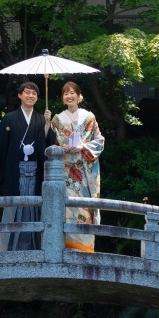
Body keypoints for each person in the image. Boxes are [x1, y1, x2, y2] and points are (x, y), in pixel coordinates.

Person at [0, 81, 56, 251]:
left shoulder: (40, 119)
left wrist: (46, 125)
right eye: (27, 92)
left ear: (37, 98)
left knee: (34, 206)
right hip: (14, 170)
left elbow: (46, 143)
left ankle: (35, 247)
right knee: (13, 205)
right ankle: (8, 248)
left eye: (34, 93)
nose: (31, 96)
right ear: (20, 95)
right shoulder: (9, 118)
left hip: (35, 170)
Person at [50, 81, 104, 252]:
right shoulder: (57, 120)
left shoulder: (89, 117)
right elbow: (51, 145)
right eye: (66, 93)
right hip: (65, 172)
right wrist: (60, 148)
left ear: (79, 96)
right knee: (65, 207)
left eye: (73, 92)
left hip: (84, 172)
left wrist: (82, 147)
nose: (69, 96)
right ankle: (64, 247)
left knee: (84, 208)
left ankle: (85, 248)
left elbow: (100, 141)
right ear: (62, 98)